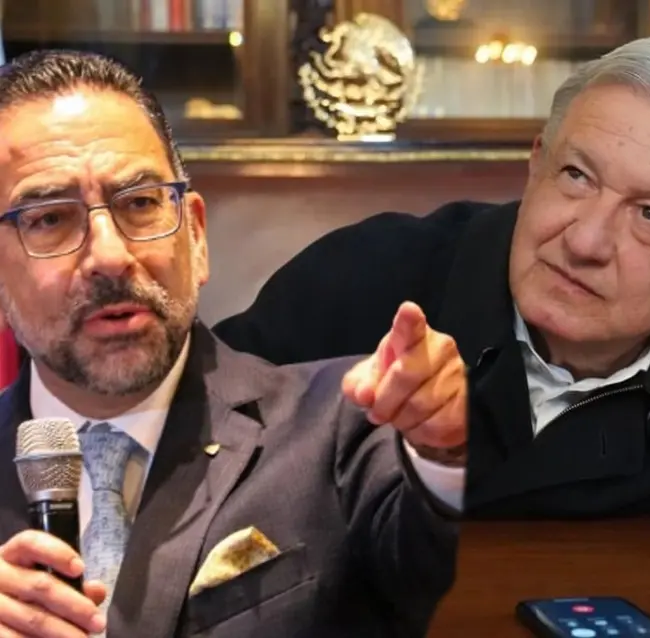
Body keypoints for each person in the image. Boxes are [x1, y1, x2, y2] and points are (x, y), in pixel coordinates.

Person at [215, 35, 650, 537]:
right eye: (576, 176)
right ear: (535, 166)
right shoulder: (365, 279)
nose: (586, 241)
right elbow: (185, 451)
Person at [0, 50, 464, 638]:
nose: (111, 256)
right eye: (49, 218)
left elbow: (438, 562)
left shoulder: (344, 424)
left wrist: (449, 454)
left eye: (140, 204)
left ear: (196, 236)